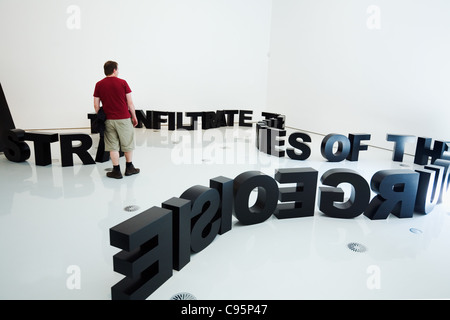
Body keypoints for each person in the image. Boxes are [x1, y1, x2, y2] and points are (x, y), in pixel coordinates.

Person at [93, 60, 140, 179]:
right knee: (127, 143)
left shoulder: (99, 84)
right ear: (114, 70)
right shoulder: (123, 82)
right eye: (117, 69)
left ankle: (116, 170)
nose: (118, 71)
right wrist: (134, 116)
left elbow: (96, 105)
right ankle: (129, 168)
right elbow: (130, 103)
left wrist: (100, 115)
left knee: (112, 145)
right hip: (124, 118)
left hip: (108, 120)